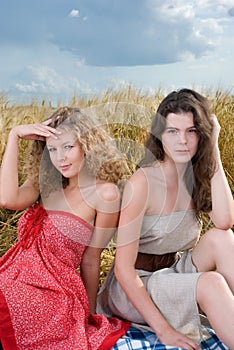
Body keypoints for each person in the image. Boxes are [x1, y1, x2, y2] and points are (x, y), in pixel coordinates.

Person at [97, 88, 234, 349]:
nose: (182, 140)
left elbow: (225, 220)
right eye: (173, 131)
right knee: (211, 283)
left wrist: (213, 147)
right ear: (160, 135)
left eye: (191, 131)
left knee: (223, 238)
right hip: (137, 286)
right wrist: (165, 331)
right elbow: (123, 271)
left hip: (172, 273)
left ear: (201, 135)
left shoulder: (195, 176)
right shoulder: (143, 183)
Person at [0, 107, 130, 350]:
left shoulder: (105, 193)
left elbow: (91, 259)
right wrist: (14, 135)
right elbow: (7, 199)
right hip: (13, 277)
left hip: (53, 291)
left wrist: (88, 317)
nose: (60, 157)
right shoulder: (46, 184)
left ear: (87, 144)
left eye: (68, 147)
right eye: (52, 149)